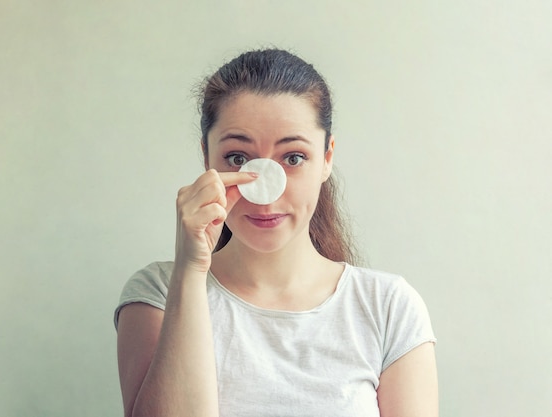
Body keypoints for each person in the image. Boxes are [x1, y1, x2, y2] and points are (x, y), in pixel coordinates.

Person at [114, 48, 438, 417]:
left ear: (327, 158)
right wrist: (190, 270)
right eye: (238, 158)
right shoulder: (158, 293)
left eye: (293, 158)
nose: (264, 190)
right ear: (207, 158)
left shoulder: (388, 307)